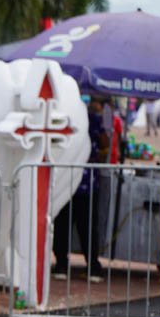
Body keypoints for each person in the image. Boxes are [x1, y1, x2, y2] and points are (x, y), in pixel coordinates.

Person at [52, 98, 106, 283]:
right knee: (86, 227)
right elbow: (105, 143)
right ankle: (91, 267)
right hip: (83, 183)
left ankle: (63, 265)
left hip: (68, 181)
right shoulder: (92, 119)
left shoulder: (66, 118)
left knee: (65, 225)